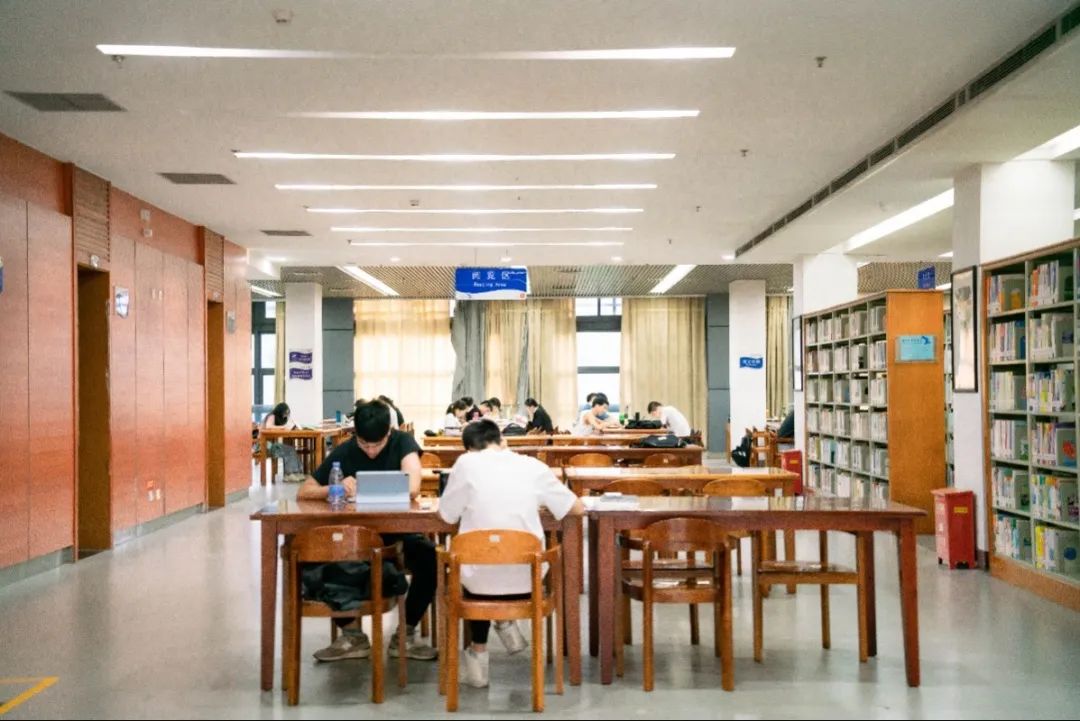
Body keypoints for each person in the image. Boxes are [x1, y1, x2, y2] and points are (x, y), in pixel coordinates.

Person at [438, 420, 584, 688]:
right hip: (527, 577)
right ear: (502, 441)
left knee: (474, 559)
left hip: (477, 581)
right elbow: (575, 508)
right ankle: (505, 623)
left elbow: (447, 515)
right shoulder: (532, 466)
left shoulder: (465, 464)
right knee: (500, 559)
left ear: (469, 449)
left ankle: (479, 656)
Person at [297, 400, 438, 662]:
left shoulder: (403, 443)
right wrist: (335, 488)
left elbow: (413, 488)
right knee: (311, 558)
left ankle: (404, 635)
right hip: (355, 536)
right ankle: (353, 635)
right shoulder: (346, 450)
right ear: (355, 435)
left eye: (377, 444)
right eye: (364, 444)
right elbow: (304, 491)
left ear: (389, 433)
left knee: (430, 558)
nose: (371, 451)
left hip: (399, 532)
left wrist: (366, 485)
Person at [262, 403, 304, 481]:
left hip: (271, 445)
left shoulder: (278, 419)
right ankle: (289, 474)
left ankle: (296, 472)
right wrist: (283, 427)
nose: (286, 415)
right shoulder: (272, 416)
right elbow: (268, 426)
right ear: (280, 411)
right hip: (266, 446)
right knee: (289, 450)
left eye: (287, 413)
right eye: (285, 413)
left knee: (291, 449)